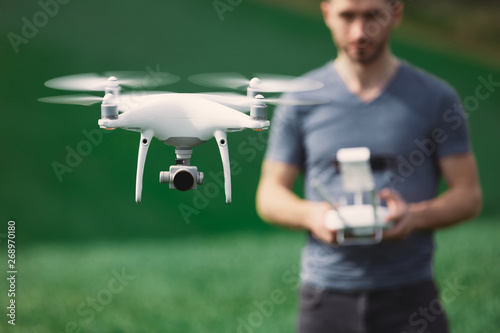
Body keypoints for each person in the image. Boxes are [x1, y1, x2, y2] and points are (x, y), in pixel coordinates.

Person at [255, 0, 482, 332]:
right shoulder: (299, 101)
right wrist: (314, 216)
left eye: (373, 15)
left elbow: (468, 194)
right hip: (325, 299)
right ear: (327, 13)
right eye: (348, 16)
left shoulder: (436, 98)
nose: (360, 32)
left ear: (396, 13)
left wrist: (414, 216)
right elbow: (269, 194)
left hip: (410, 297)